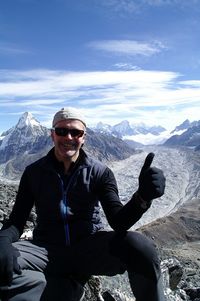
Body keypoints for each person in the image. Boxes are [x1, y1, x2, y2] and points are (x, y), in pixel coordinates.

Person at [0, 107, 166, 301]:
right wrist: (2, 240)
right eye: (61, 131)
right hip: (45, 249)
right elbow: (17, 221)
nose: (68, 137)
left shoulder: (100, 173)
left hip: (87, 249)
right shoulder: (33, 173)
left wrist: (142, 198)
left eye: (75, 132)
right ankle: (62, 289)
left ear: (84, 137)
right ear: (52, 135)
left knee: (141, 247)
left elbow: (118, 222)